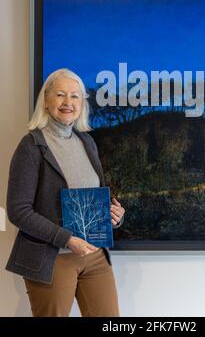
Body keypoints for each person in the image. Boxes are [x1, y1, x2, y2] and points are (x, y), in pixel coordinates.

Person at [5, 68, 125, 317]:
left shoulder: (87, 143)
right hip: (53, 259)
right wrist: (67, 239)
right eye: (60, 95)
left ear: (82, 104)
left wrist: (114, 214)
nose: (68, 102)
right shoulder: (31, 146)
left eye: (75, 96)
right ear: (46, 101)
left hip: (95, 255)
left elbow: (96, 195)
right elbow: (18, 211)